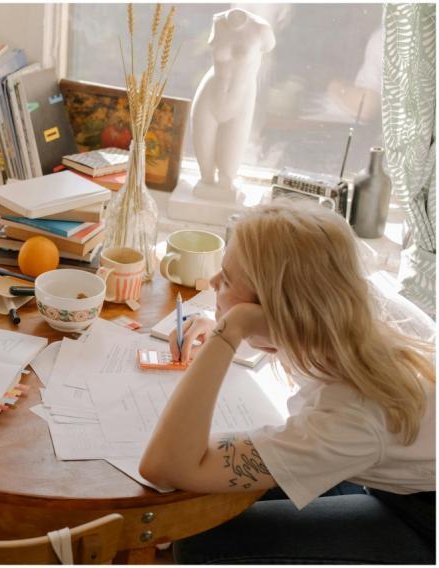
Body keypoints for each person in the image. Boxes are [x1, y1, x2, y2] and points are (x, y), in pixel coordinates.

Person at [139, 201, 435, 564]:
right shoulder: (345, 301)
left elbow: (166, 464)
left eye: (227, 280)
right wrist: (221, 318)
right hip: (388, 463)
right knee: (200, 505)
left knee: (205, 541)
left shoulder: (352, 416)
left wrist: (228, 333)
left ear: (277, 311)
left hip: (421, 517)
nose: (212, 283)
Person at [191, 8, 276, 196]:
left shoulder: (261, 29)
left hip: (241, 97)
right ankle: (206, 178)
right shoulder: (219, 22)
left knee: (227, 174)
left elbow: (269, 49)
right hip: (210, 93)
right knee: (205, 171)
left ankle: (225, 182)